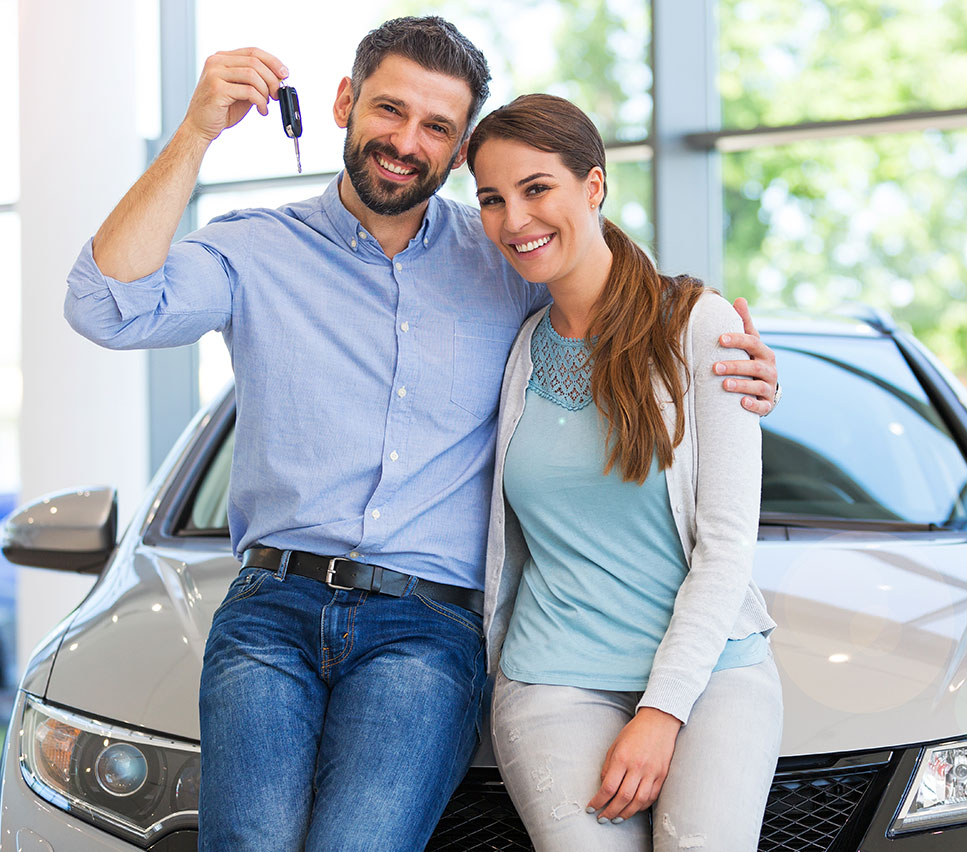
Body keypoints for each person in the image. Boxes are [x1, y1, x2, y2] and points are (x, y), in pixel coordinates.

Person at [63, 17, 779, 852]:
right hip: (270, 608)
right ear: (344, 102)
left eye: (437, 127)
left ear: (458, 144)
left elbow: (619, 319)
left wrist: (736, 362)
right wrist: (194, 135)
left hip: (426, 625)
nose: (406, 142)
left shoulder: (504, 261)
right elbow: (104, 307)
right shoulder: (254, 251)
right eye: (389, 111)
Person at [468, 93, 783, 852]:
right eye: (491, 199)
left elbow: (727, 544)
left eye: (537, 188)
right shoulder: (513, 350)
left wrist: (661, 710)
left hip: (713, 677)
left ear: (595, 186)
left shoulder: (697, 326)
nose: (515, 220)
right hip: (552, 677)